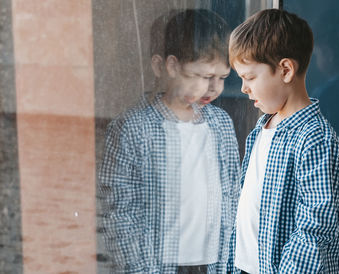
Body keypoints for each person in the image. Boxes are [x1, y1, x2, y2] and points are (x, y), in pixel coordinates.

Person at [99, 9, 241, 273]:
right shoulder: (133, 127)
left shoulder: (220, 124)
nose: (214, 88)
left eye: (222, 78)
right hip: (156, 265)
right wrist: (139, 269)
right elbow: (118, 211)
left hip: (211, 264)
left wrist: (229, 264)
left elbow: (233, 194)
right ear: (168, 66)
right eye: (203, 76)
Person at [227, 9, 339, 273]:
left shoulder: (315, 140)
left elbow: (315, 229)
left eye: (249, 78)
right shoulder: (262, 128)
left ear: (285, 70)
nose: (243, 88)